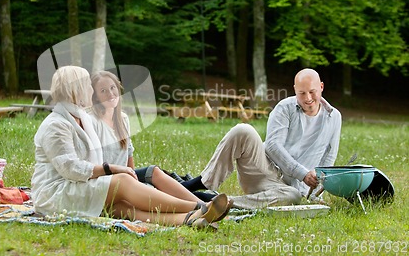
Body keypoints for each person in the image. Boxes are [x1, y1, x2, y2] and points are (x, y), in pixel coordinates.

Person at [30, 65, 231, 228]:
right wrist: (111, 169)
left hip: (77, 187)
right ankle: (200, 207)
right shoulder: (56, 125)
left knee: (122, 207)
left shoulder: (81, 118)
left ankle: (188, 219)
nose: (91, 91)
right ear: (74, 90)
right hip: (56, 194)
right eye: (87, 85)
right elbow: (70, 169)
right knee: (123, 183)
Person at [182, 68, 342, 209]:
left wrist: (316, 187)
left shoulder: (334, 117)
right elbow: (272, 146)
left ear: (321, 87)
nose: (307, 98)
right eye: (302, 93)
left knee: (293, 197)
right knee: (242, 130)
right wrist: (302, 173)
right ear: (295, 90)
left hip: (291, 189)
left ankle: (217, 201)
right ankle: (198, 184)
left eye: (312, 91)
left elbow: (329, 156)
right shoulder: (284, 108)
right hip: (263, 172)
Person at [90, 70, 216, 203]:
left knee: (153, 172)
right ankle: (204, 199)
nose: (110, 94)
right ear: (96, 96)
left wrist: (135, 180)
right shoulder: (92, 121)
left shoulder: (122, 118)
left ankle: (205, 202)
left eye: (112, 88)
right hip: (108, 182)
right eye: (103, 91)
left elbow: (128, 153)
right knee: (158, 190)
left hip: (126, 177)